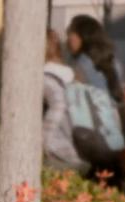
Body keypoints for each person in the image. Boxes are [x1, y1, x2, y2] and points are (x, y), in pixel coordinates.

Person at [66, 14, 125, 189]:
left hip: (95, 141)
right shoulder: (114, 63)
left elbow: (77, 109)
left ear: (83, 37)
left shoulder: (79, 67)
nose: (68, 40)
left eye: (71, 35)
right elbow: (122, 100)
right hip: (119, 137)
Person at [42, 29, 88, 172]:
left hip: (60, 153)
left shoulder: (43, 75)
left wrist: (43, 141)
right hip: (85, 150)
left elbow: (58, 104)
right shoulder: (72, 73)